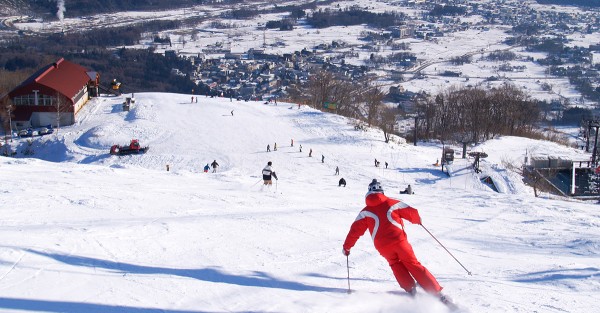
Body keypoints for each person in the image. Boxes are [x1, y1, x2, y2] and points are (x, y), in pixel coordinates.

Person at [342, 179, 444, 300]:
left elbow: (354, 231)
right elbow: (412, 213)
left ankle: (410, 289)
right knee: (412, 263)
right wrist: (418, 220)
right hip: (399, 241)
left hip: (382, 246)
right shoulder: (392, 203)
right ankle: (435, 291)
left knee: (395, 263)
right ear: (381, 191)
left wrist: (347, 247)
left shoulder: (364, 212)